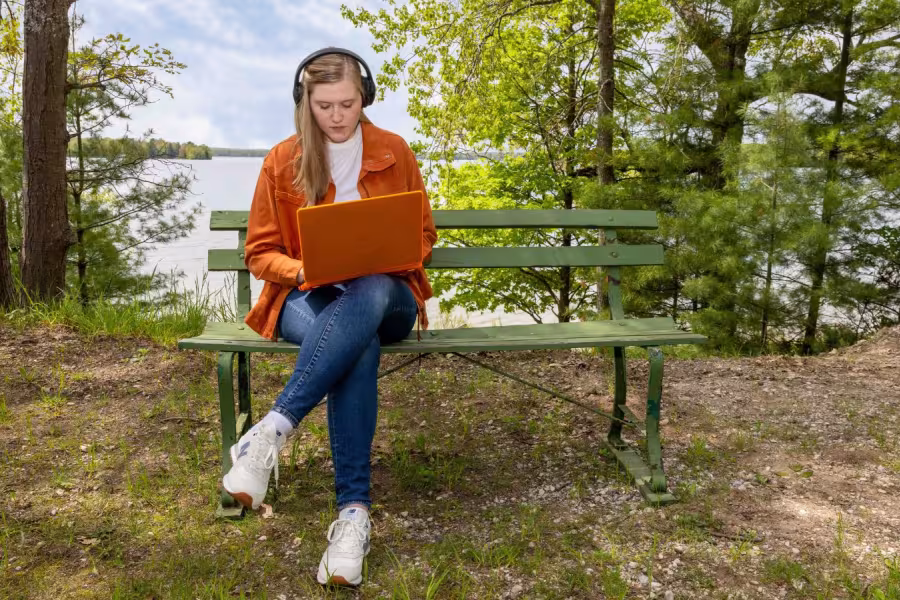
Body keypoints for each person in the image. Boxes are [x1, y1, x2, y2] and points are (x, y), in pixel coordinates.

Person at [221, 47, 437, 587]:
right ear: (304, 102)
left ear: (365, 96)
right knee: (354, 345)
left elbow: (425, 234)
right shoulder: (282, 160)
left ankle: (272, 430)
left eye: (347, 103)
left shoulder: (394, 150)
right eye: (324, 105)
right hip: (308, 296)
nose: (337, 116)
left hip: (388, 297)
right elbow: (260, 252)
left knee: (367, 292)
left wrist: (389, 253)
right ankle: (353, 517)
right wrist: (301, 272)